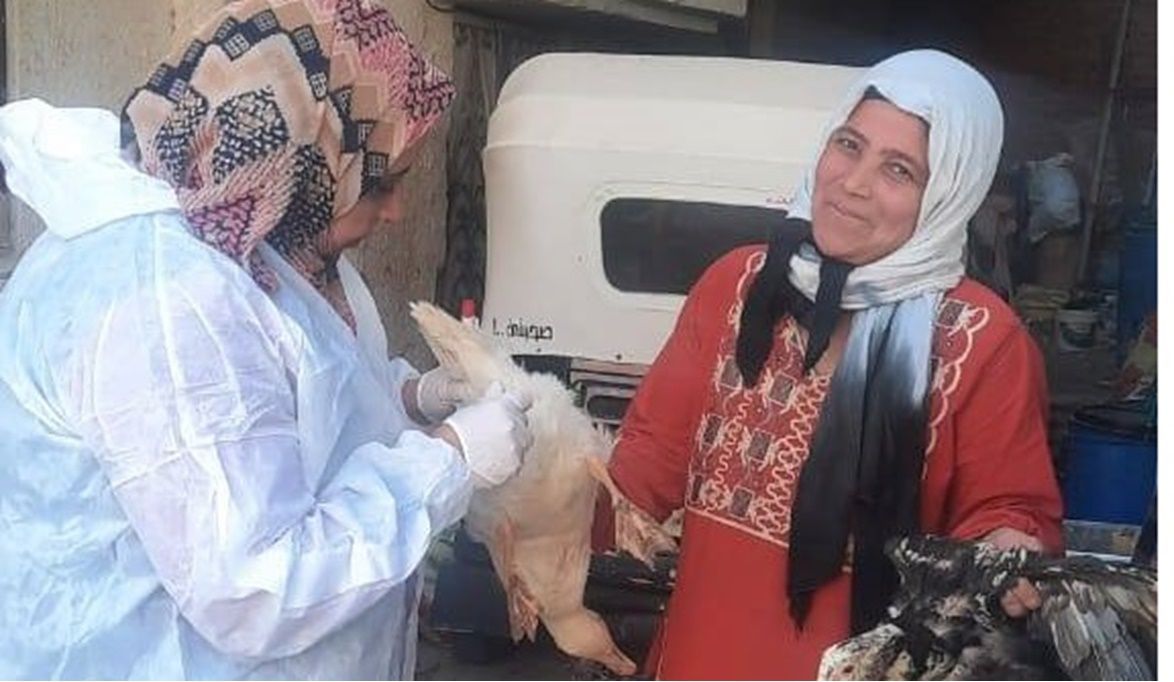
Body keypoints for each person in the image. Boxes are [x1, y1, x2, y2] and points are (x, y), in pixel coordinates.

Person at [0, 1, 530, 678]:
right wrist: (447, 460)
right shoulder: (163, 299)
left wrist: (409, 397)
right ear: (305, 158)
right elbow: (255, 588)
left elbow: (293, 396)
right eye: (382, 182)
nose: (396, 210)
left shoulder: (262, 232)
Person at [594, 49, 1064, 679]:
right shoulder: (740, 285)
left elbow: (1009, 509)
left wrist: (1009, 550)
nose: (853, 183)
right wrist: (535, 478)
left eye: (898, 170)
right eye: (849, 144)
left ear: (948, 194)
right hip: (700, 657)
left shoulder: (983, 341)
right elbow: (645, 466)